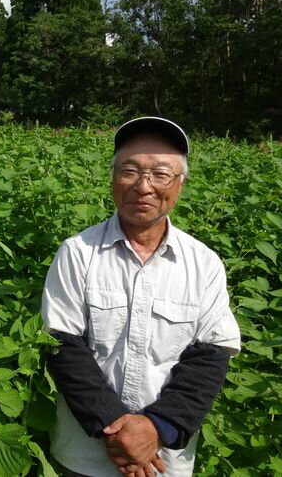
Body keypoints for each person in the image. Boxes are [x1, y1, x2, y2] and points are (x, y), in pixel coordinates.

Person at [41, 117, 241, 476]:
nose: (143, 186)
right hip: (85, 457)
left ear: (180, 184)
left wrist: (157, 428)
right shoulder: (77, 252)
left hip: (163, 460)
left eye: (161, 174)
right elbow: (61, 344)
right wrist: (118, 428)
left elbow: (212, 356)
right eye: (129, 171)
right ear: (113, 177)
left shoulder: (204, 264)